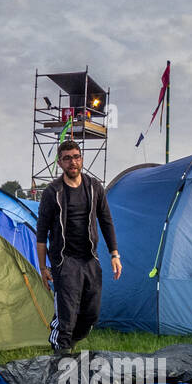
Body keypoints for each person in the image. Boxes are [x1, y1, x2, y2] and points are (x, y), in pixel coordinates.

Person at [35, 139, 120, 355]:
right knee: (67, 312)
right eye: (67, 158)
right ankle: (61, 352)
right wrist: (43, 268)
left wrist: (114, 254)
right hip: (65, 261)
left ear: (81, 159)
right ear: (60, 162)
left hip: (89, 258)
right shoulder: (52, 192)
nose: (72, 162)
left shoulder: (94, 187)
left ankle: (69, 343)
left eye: (76, 156)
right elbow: (42, 233)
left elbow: (106, 220)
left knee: (91, 314)